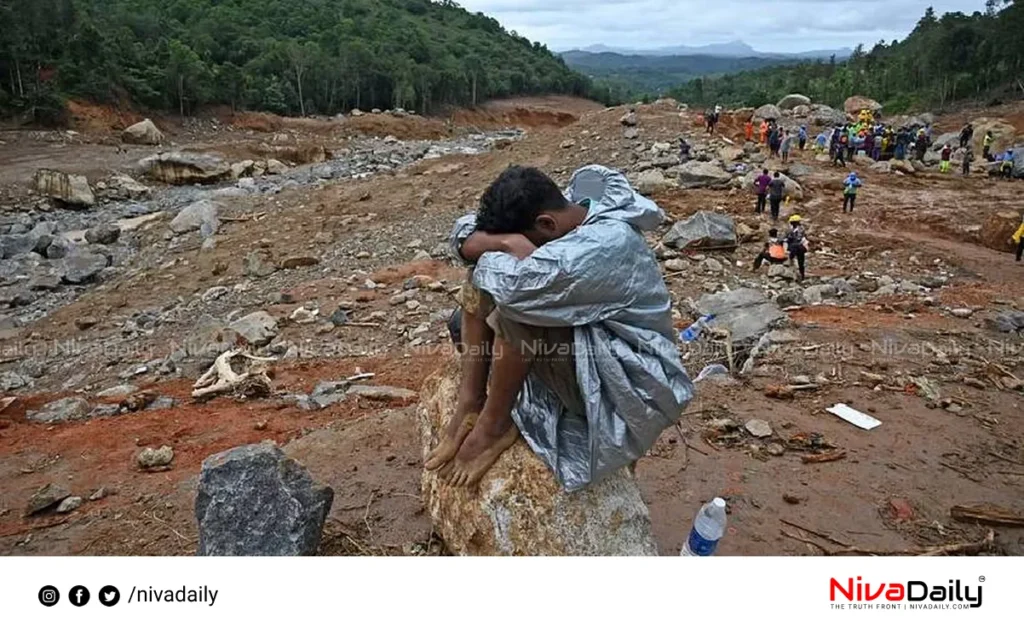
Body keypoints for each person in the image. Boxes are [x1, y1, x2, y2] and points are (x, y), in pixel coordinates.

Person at [434, 165, 693, 490]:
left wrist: (496, 248)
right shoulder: (570, 209)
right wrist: (507, 242)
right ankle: (471, 402)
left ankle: (493, 426)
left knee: (519, 310)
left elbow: (515, 290)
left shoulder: (604, 243)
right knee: (480, 283)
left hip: (626, 384)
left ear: (545, 224)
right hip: (590, 344)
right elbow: (463, 233)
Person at [785, 215, 808, 281]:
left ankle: (798, 275)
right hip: (798, 247)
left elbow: (796, 238)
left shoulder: (798, 230)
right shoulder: (796, 229)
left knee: (796, 261)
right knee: (800, 262)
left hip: (796, 247)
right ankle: (801, 274)